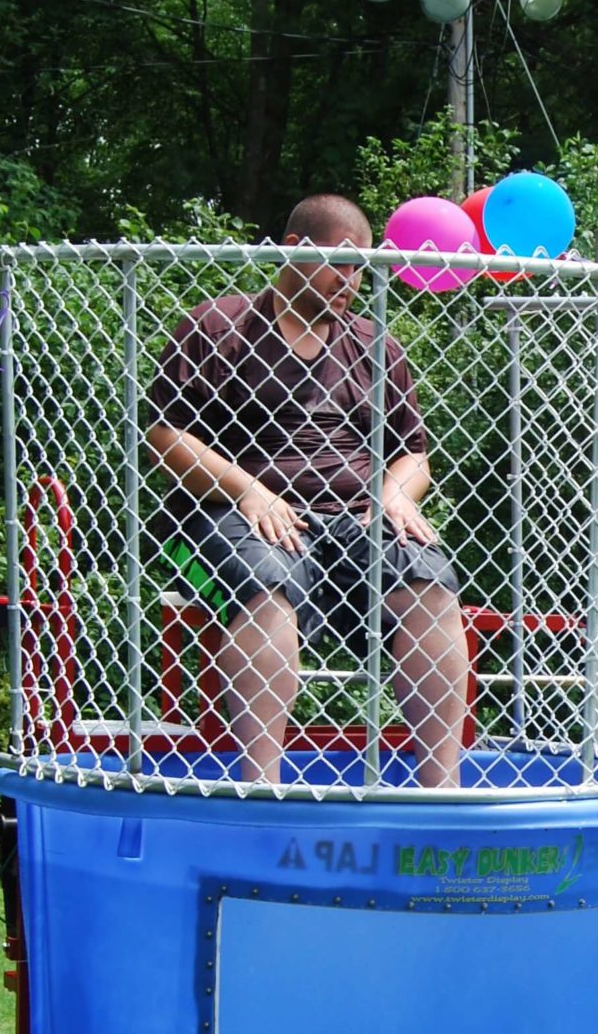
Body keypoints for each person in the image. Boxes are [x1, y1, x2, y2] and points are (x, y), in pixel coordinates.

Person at [144, 193, 469, 786]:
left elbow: (414, 453)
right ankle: (262, 788)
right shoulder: (218, 326)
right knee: (268, 589)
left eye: (361, 267)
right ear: (294, 250)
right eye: (340, 262)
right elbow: (166, 436)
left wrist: (396, 495)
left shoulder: (374, 345)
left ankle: (440, 792)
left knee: (431, 588)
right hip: (232, 513)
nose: (352, 279)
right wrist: (247, 488)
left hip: (356, 514)